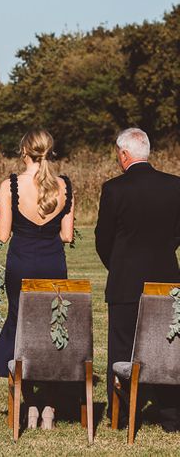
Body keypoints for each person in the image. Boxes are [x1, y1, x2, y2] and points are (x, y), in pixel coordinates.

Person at [0, 128, 74, 429]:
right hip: (53, 265)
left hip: (21, 265)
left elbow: (3, 235)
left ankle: (29, 403)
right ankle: (50, 406)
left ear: (24, 152)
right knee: (52, 331)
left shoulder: (10, 185)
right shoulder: (64, 186)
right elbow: (67, 235)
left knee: (21, 328)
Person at [95, 127, 180, 432]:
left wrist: (119, 265)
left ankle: (122, 418)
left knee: (122, 348)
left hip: (125, 282)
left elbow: (102, 238)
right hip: (168, 282)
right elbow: (176, 234)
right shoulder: (175, 186)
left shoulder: (114, 189)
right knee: (168, 348)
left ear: (124, 154)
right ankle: (172, 417)